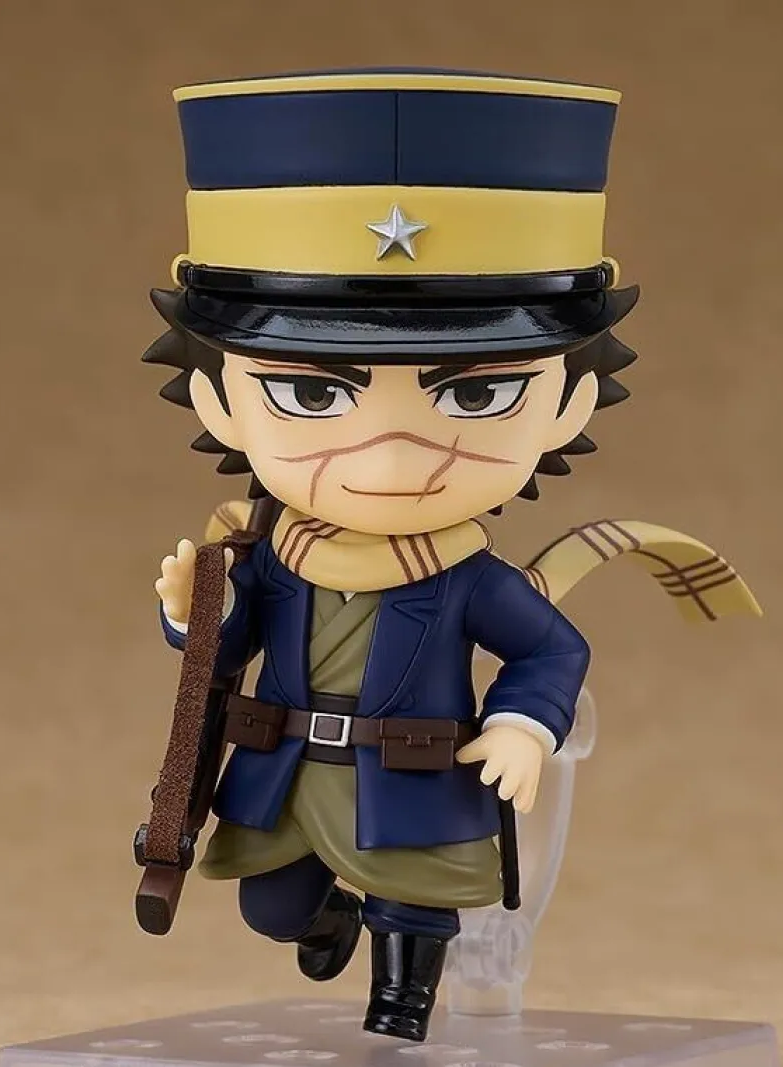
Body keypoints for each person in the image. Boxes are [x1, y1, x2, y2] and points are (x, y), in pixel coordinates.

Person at [147, 67, 637, 1042]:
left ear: (568, 401)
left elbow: (550, 648)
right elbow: (229, 643)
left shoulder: (466, 576)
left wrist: (522, 726)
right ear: (217, 398)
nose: (387, 453)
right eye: (312, 393)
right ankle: (328, 918)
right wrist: (193, 609)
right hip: (289, 769)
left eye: (474, 394)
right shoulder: (275, 552)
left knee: (413, 912)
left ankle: (400, 1011)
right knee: (270, 906)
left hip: (415, 775)